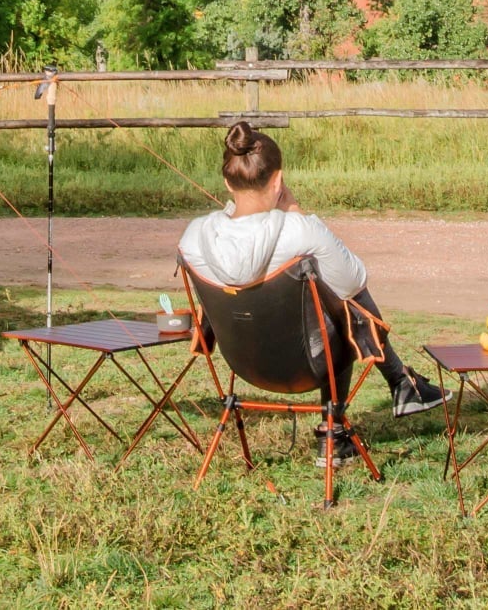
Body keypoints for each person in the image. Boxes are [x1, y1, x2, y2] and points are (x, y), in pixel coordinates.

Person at [179, 123, 450, 463]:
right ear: (278, 181)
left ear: (227, 183)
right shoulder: (301, 232)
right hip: (310, 365)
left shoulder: (193, 237)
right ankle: (355, 415)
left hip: (245, 362)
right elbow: (354, 282)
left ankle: (398, 385)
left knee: (327, 301)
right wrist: (295, 212)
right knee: (346, 307)